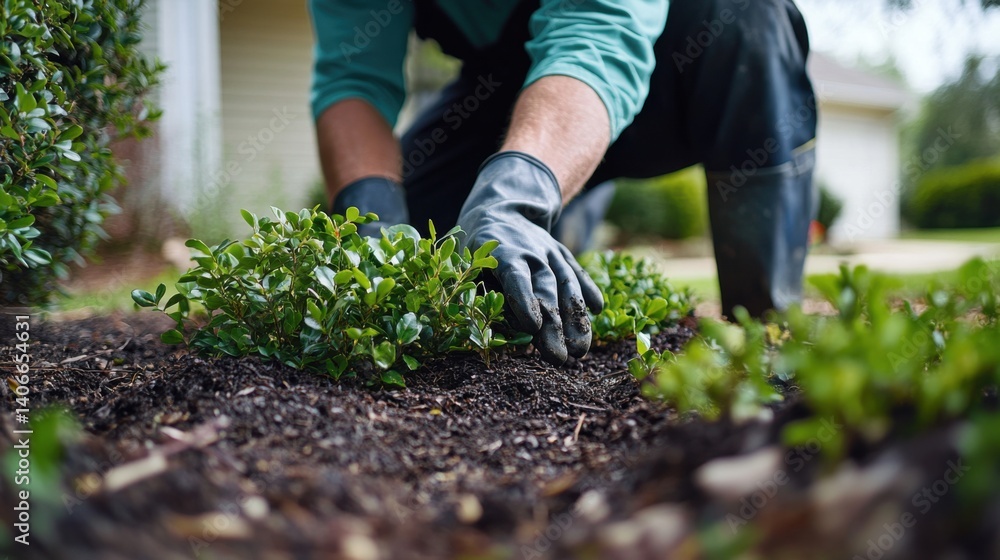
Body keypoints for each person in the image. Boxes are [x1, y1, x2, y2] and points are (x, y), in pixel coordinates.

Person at [308, 0, 818, 366]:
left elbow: (598, 29)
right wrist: (373, 223)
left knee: (749, 16)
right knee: (423, 241)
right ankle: (564, 221)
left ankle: (766, 327)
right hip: (508, 88)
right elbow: (354, 76)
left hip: (667, 52)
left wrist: (516, 199)